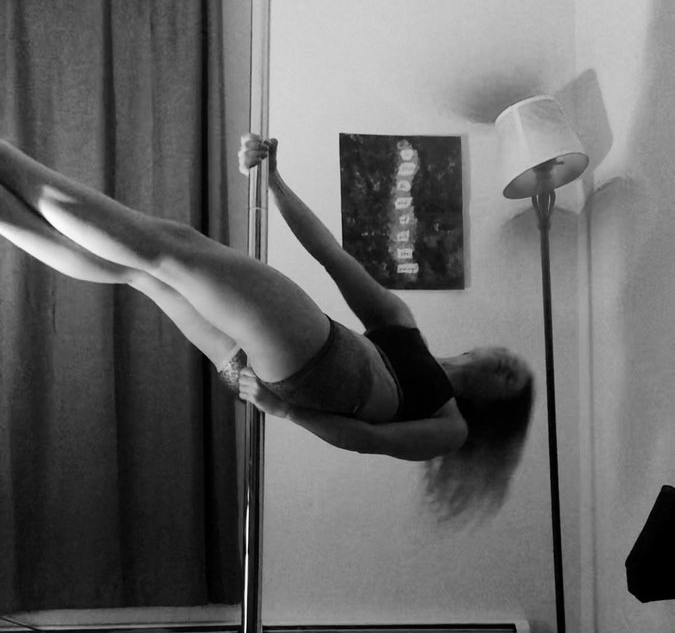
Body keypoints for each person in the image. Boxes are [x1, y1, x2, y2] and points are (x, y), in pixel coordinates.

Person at [0, 134, 534, 522]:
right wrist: (274, 181)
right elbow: (329, 253)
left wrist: (286, 412)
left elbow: (367, 440)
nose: (511, 366)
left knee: (171, 248)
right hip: (270, 365)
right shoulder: (400, 322)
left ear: (494, 407)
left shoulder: (451, 426)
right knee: (141, 274)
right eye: (514, 360)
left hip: (316, 363)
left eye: (513, 382)